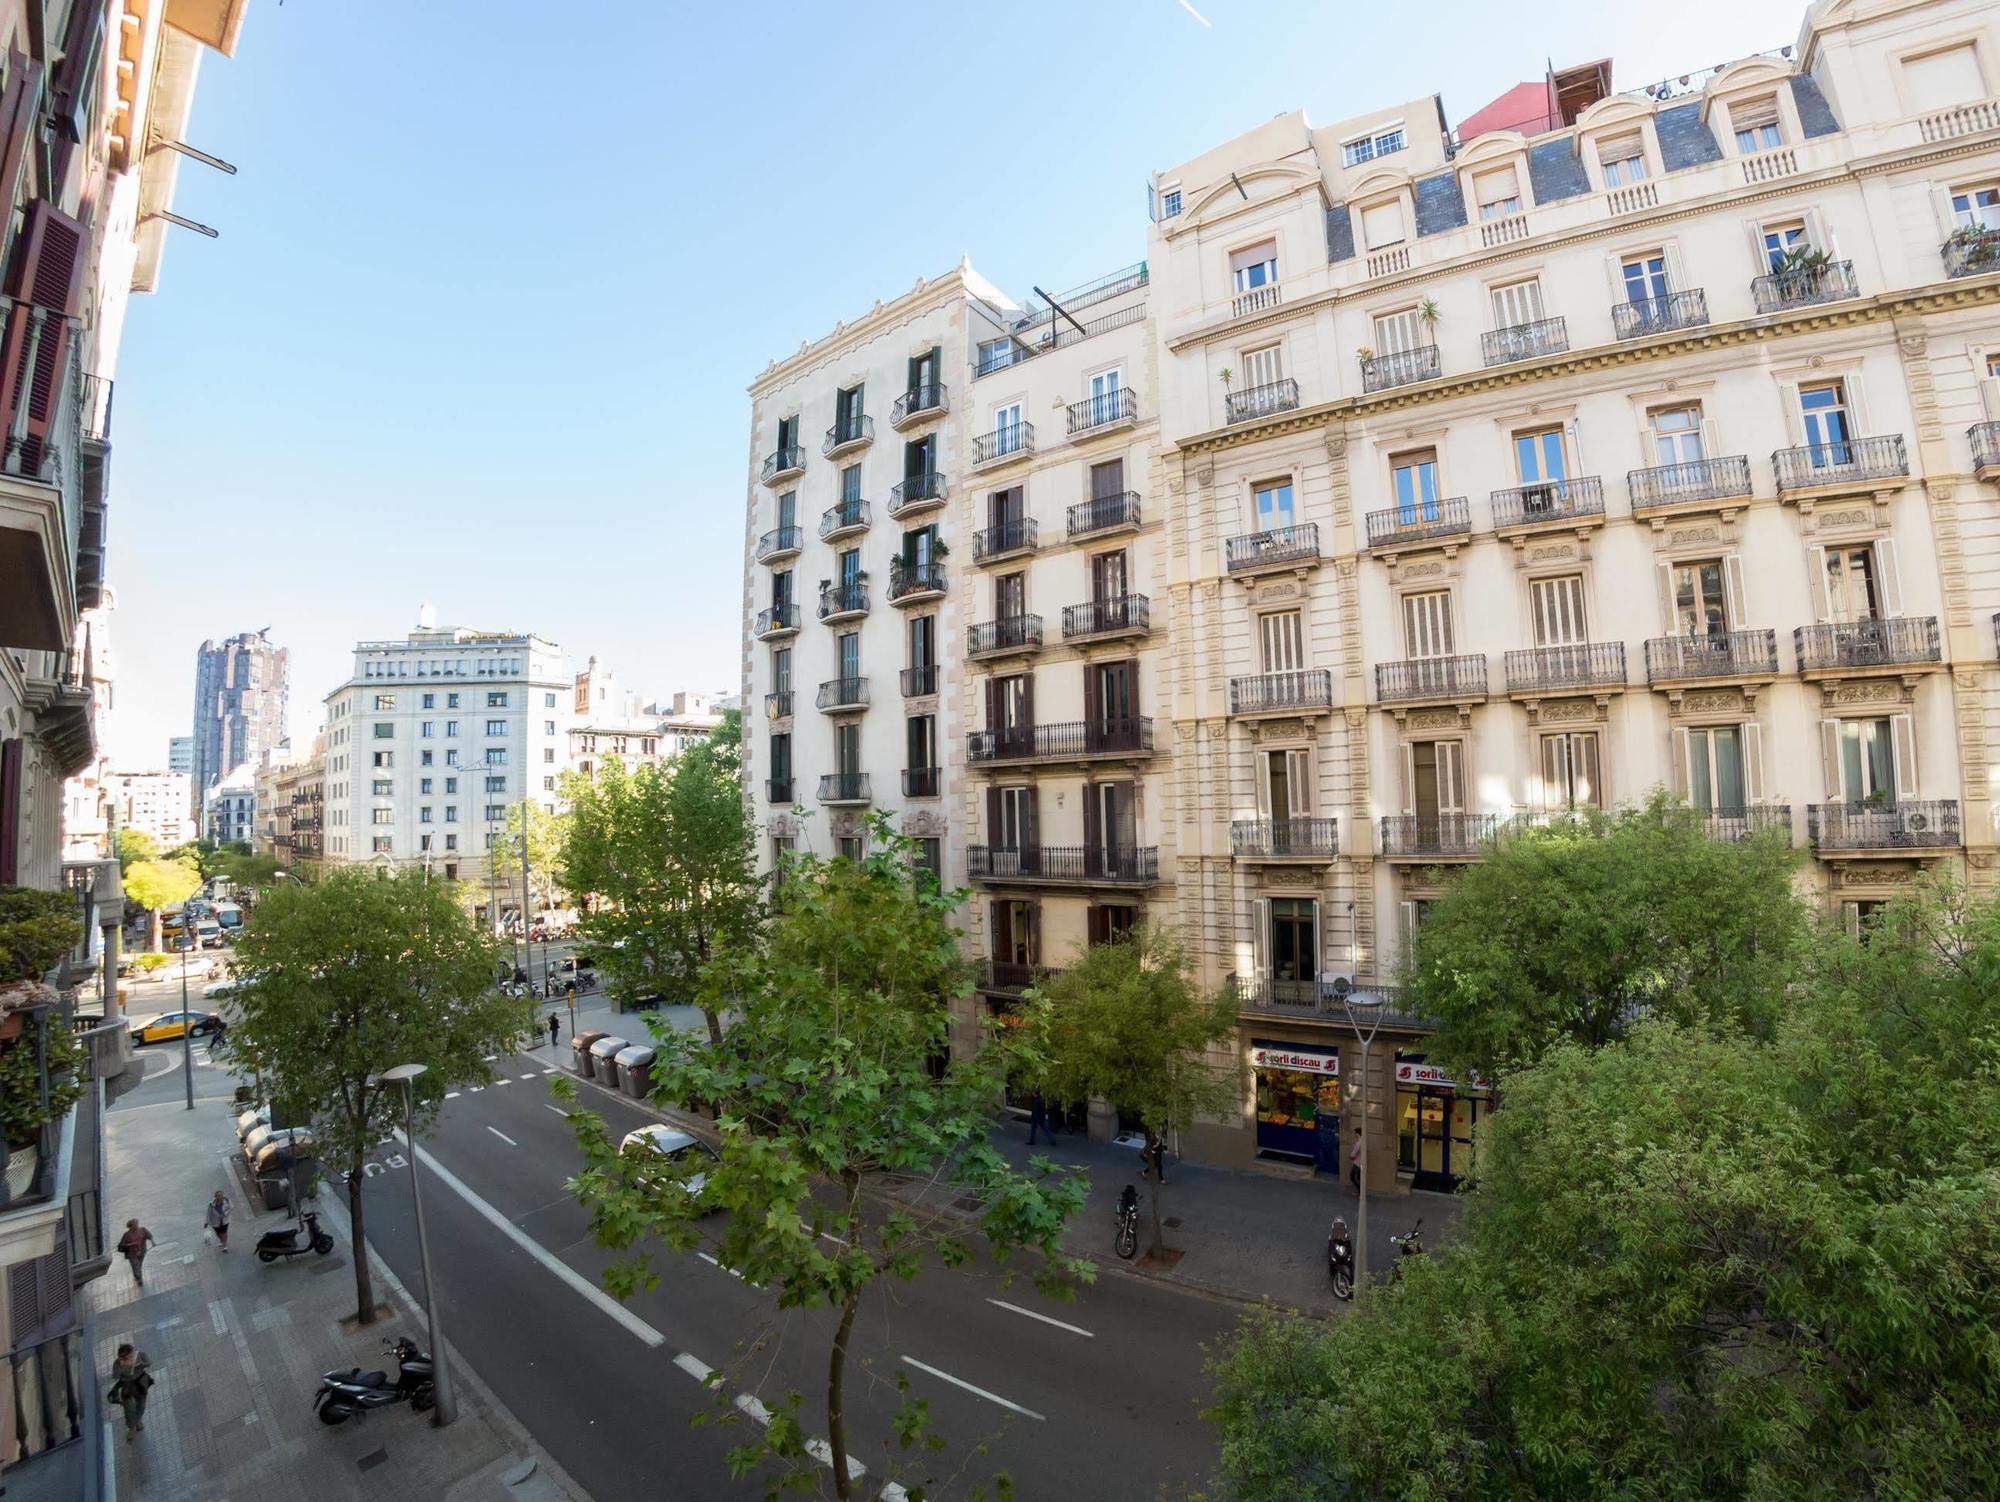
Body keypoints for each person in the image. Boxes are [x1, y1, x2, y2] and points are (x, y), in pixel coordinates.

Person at [108, 1344, 153, 1440]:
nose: (124, 1358)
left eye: (126, 1355)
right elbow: (115, 1376)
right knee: (129, 1408)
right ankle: (131, 1428)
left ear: (131, 1352)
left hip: (140, 1384)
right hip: (127, 1387)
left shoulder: (140, 1355)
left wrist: (138, 1365)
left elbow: (149, 1363)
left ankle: (138, 1420)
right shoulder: (118, 1363)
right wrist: (121, 1366)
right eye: (121, 1356)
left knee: (141, 1406)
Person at [116, 1219, 155, 1286]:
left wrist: (152, 1241)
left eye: (137, 1224)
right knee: (136, 1266)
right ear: (131, 1226)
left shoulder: (143, 1230)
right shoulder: (127, 1234)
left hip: (142, 1251)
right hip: (132, 1254)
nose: (137, 1225)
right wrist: (132, 1244)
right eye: (135, 1225)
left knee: (139, 1265)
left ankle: (137, 1275)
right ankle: (139, 1279)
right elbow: (122, 1244)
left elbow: (149, 1235)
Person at [1350, 1127, 1364, 1195]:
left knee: (1352, 1176)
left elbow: (1354, 1153)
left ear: (1358, 1134)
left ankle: (1359, 1191)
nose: (1354, 1135)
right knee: (1359, 1177)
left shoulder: (1358, 1143)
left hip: (1357, 1163)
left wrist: (1351, 1157)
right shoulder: (1363, 1142)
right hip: (1361, 1163)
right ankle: (1360, 1191)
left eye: (1355, 1133)